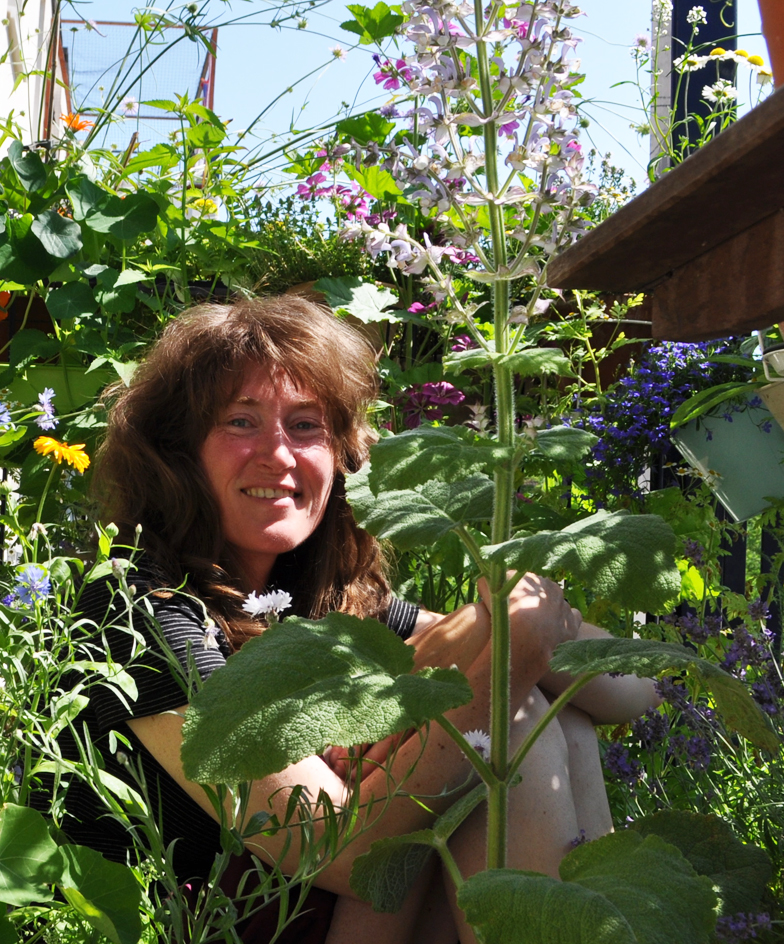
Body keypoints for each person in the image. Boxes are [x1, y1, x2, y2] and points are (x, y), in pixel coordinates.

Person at [46, 296, 659, 943]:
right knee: (508, 724)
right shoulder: (141, 614)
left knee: (552, 714)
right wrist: (508, 662)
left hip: (314, 917)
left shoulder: (318, 604)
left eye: (306, 425)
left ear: (341, 456)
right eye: (240, 421)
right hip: (196, 927)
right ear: (179, 451)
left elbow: (632, 687)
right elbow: (325, 850)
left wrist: (524, 617)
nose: (277, 454)